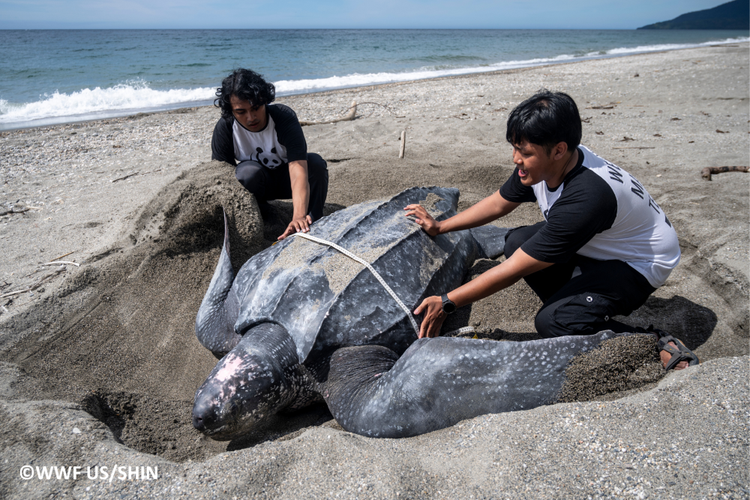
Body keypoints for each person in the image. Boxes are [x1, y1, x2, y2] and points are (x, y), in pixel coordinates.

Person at [405, 90, 698, 370]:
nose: (515, 159)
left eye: (524, 152)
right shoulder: (546, 163)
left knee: (554, 323)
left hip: (640, 262)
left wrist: (448, 302)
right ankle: (578, 301)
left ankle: (652, 341)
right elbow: (500, 202)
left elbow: (515, 269)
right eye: (515, 148)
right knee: (517, 241)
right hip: (604, 242)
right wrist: (440, 225)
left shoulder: (586, 196)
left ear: (559, 150)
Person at [212, 68, 329, 240]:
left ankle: (313, 219)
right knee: (246, 173)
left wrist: (298, 216)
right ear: (231, 110)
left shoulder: (283, 117)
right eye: (241, 111)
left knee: (316, 164)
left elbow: (297, 167)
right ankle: (265, 217)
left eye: (256, 108)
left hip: (286, 180)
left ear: (265, 100)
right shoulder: (226, 128)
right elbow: (222, 178)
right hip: (256, 187)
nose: (251, 117)